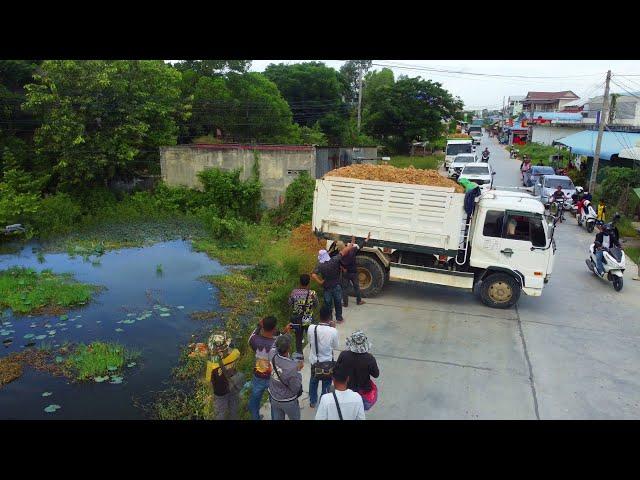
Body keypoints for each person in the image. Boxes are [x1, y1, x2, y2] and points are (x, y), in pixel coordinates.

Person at [311, 243, 358, 324]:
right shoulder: (334, 260)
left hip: (326, 288)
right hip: (336, 286)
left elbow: (313, 274)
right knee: (338, 303)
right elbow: (343, 252)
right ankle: (339, 319)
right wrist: (350, 246)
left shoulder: (320, 265)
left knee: (328, 304)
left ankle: (329, 319)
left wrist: (320, 281)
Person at [248, 316, 280, 420]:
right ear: (274, 328)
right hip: (273, 377)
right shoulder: (278, 343)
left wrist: (258, 326)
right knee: (274, 403)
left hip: (258, 375)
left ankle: (255, 417)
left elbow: (251, 337)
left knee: (255, 399)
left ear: (263, 326)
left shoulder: (255, 340)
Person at [335, 330, 379, 405]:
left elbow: (336, 369)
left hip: (347, 388)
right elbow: (376, 374)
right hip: (363, 390)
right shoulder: (369, 358)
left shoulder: (344, 354)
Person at [308, 305, 339, 408]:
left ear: (319, 316)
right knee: (326, 385)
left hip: (315, 362)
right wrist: (333, 328)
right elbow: (335, 346)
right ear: (330, 317)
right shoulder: (333, 331)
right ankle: (323, 402)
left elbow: (310, 342)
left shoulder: (311, 328)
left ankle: (312, 402)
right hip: (327, 363)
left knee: (313, 382)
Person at [268, 334, 303, 420]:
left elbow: (274, 344)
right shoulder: (292, 367)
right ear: (288, 348)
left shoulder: (271, 354)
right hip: (288, 400)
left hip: (274, 397)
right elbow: (295, 388)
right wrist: (298, 370)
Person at [207, 332, 241, 420]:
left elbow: (208, 380)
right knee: (234, 407)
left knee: (220, 411)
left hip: (220, 391)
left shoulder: (211, 363)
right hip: (233, 385)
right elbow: (234, 350)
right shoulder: (235, 354)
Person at [288, 274, 319, 354]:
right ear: (309, 283)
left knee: (298, 338)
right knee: (311, 337)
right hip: (308, 318)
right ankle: (313, 354)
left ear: (300, 282)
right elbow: (316, 305)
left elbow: (289, 304)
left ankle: (299, 356)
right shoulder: (312, 293)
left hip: (296, 319)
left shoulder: (294, 292)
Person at [340, 233, 370, 307]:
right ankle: (359, 301)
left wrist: (343, 268)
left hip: (346, 274)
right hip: (354, 273)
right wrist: (367, 239)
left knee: (344, 289)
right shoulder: (352, 251)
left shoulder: (340, 255)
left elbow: (338, 264)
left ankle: (345, 303)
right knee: (356, 287)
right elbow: (360, 245)